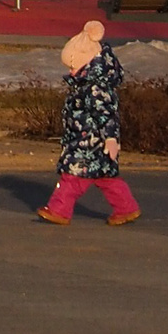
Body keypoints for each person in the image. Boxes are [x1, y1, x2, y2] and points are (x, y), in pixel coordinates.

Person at [35, 20, 138, 227]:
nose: (71, 72)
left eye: (73, 67)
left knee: (72, 177)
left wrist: (110, 138)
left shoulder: (95, 88)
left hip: (91, 142)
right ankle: (126, 208)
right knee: (106, 179)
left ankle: (59, 209)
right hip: (84, 139)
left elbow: (106, 114)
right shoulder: (86, 86)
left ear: (87, 64)